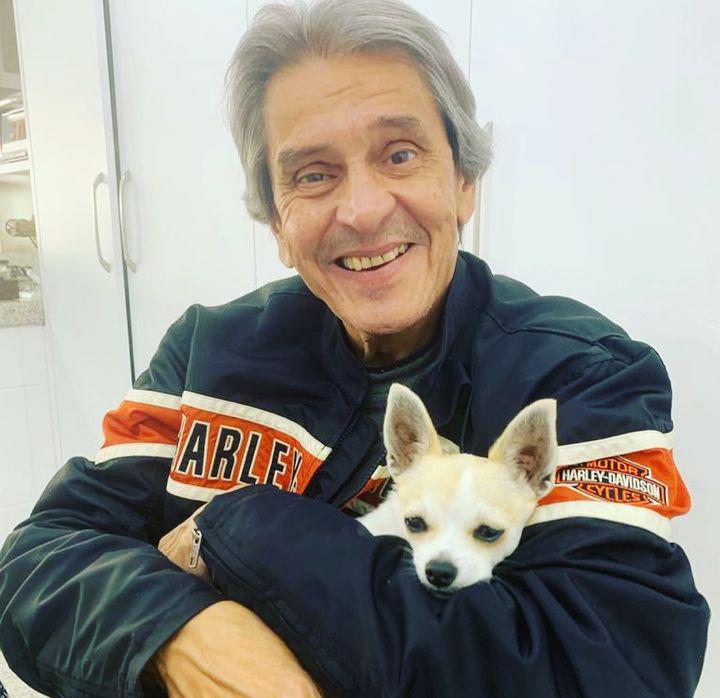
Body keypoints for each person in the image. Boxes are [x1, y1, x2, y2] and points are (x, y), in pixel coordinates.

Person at [0, 0, 709, 696]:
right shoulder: (204, 353)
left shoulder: (583, 376)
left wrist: (240, 526)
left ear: (464, 182)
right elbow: (41, 558)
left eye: (399, 154)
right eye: (313, 174)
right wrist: (183, 634)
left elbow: (606, 667)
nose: (363, 210)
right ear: (277, 222)